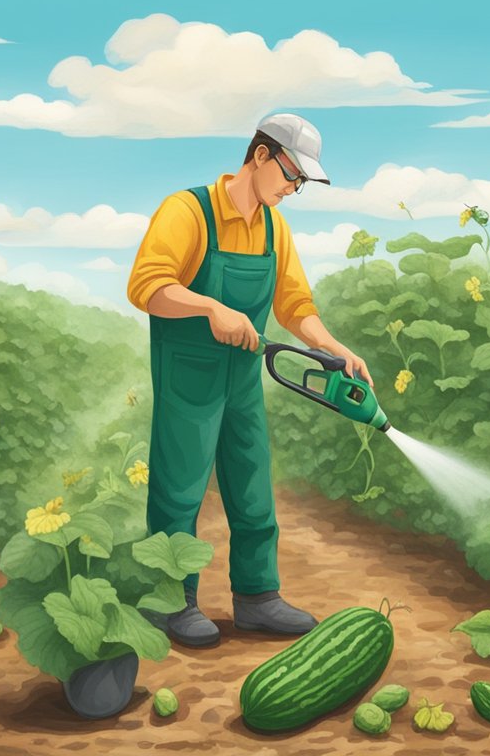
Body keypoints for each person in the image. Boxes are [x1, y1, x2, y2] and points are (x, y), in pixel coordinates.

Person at [126, 113, 374, 646]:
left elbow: (293, 303)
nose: (293, 187)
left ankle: (258, 598)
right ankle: (171, 603)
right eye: (292, 174)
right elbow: (146, 287)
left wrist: (332, 346)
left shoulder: (273, 226)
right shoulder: (188, 211)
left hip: (242, 380)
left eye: (302, 182)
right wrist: (210, 307)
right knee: (180, 487)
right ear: (261, 156)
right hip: (188, 376)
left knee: (252, 486)